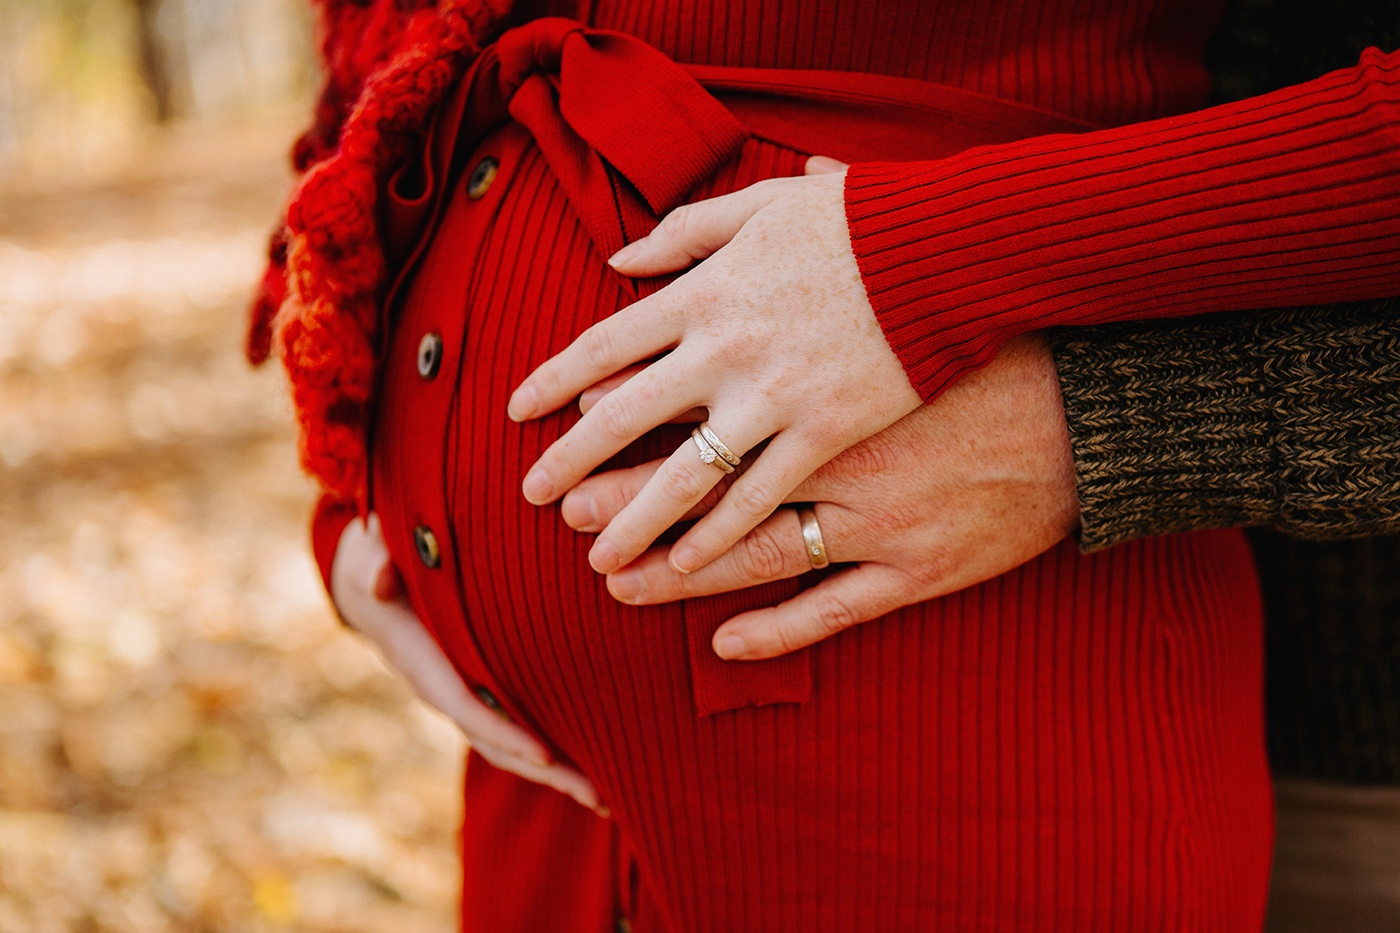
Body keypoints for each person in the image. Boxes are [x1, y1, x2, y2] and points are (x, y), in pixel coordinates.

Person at [252, 0, 1400, 928]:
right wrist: (362, 489)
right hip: (538, 777)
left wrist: (933, 261)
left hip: (949, 700)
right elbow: (399, 73)